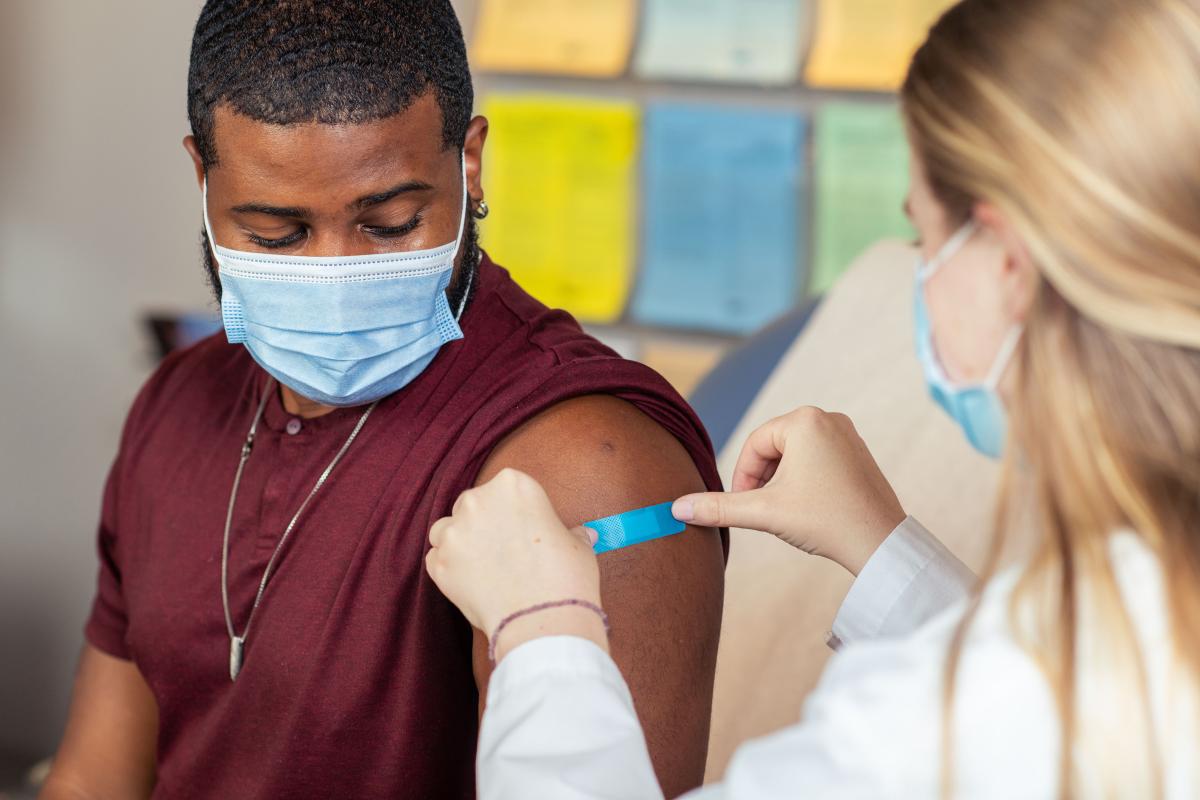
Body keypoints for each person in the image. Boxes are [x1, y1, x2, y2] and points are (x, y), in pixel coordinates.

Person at [425, 0, 1200, 796]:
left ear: (1005, 261)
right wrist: (882, 549)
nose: (918, 276)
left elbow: (1011, 708)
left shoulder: (963, 712)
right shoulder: (1117, 630)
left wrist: (543, 631)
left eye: (924, 241)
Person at [39, 2, 727, 798]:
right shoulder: (179, 404)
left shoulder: (590, 465)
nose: (335, 273)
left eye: (390, 224)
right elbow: (92, 778)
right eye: (275, 235)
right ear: (202, 178)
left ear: (469, 166)